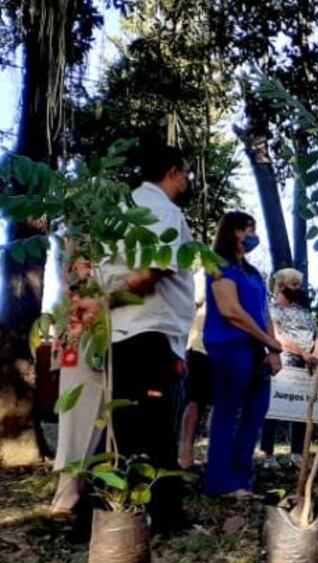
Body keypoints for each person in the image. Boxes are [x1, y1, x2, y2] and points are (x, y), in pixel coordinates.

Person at [103, 144, 196, 533]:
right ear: (173, 172)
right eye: (187, 173)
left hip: (124, 334)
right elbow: (152, 273)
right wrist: (109, 301)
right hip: (153, 332)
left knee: (128, 430)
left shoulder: (119, 215)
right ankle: (168, 518)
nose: (189, 181)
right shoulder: (162, 211)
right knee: (160, 430)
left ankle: (127, 515)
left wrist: (104, 304)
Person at [204, 211, 283, 498]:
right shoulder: (218, 266)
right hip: (229, 347)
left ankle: (242, 479)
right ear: (234, 231)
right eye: (249, 229)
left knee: (255, 413)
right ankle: (220, 482)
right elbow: (231, 311)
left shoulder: (252, 272)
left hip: (256, 349)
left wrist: (272, 347)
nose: (253, 235)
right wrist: (265, 340)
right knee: (227, 414)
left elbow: (264, 313)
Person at [49, 253, 106, 516]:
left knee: (93, 419)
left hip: (87, 337)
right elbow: (85, 292)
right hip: (84, 339)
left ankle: (78, 491)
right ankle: (67, 495)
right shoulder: (87, 242)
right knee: (80, 418)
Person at [261, 268, 318, 469]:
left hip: (307, 367)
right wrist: (302, 353)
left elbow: (317, 336)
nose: (298, 288)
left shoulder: (305, 313)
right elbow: (276, 338)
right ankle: (269, 455)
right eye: (294, 284)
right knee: (276, 408)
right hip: (282, 363)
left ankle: (297, 454)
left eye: (299, 284)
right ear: (281, 286)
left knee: (302, 408)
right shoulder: (271, 311)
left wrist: (315, 354)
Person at [178, 270, 211, 470]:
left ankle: (213, 457)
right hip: (200, 346)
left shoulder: (243, 274)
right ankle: (185, 455)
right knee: (194, 402)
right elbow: (192, 304)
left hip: (226, 350)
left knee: (218, 404)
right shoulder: (205, 275)